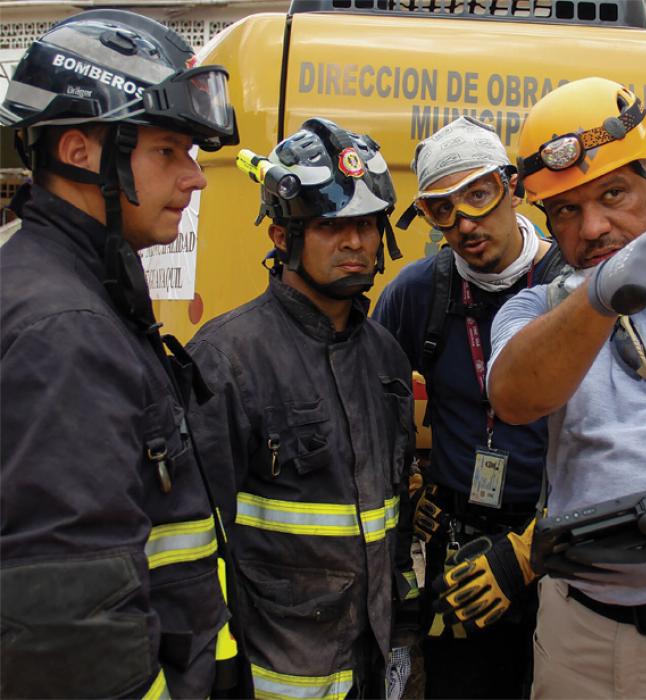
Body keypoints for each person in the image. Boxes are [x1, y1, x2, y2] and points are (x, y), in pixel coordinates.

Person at [0, 10, 252, 698]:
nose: (196, 180)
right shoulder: (64, 329)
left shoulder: (88, 287)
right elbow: (69, 625)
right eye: (169, 152)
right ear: (81, 152)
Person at [186, 117, 419, 700]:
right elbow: (193, 545)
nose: (356, 242)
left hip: (373, 666)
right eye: (330, 225)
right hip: (275, 674)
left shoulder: (387, 358)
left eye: (367, 224)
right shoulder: (225, 360)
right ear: (282, 237)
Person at [487, 77, 646, 698]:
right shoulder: (537, 309)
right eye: (567, 211)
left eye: (614, 193)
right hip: (579, 629)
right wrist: (602, 295)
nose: (596, 226)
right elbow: (514, 397)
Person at [373, 115, 564, 699]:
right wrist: (407, 478)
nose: (465, 224)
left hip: (558, 547)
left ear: (513, 186)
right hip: (460, 550)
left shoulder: (573, 289)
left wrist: (534, 550)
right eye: (441, 210)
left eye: (479, 195)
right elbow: (367, 401)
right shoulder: (417, 294)